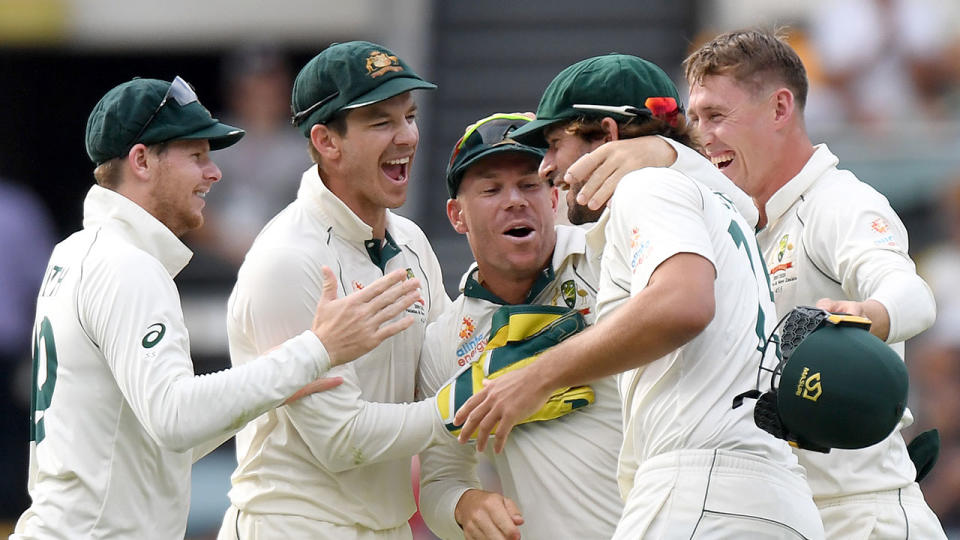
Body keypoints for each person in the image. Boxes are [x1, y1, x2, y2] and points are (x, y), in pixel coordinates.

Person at [561, 29, 947, 539]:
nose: (703, 136)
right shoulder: (727, 217)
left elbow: (912, 294)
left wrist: (864, 316)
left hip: (862, 514)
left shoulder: (838, 202)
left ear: (780, 107)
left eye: (717, 116)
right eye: (694, 120)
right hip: (778, 513)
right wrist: (658, 149)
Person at [10, 76, 420, 539]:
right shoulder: (129, 266)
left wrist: (276, 382)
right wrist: (316, 350)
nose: (215, 173)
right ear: (142, 160)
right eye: (197, 156)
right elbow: (174, 419)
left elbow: (152, 444)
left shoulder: (76, 253)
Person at [452, 54, 825, 539]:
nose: (547, 169)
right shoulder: (716, 199)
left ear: (606, 137)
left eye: (552, 144)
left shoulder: (647, 187)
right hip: (772, 501)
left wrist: (536, 377)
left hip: (701, 494)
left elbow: (682, 304)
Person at [218, 41, 452, 539]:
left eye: (410, 116)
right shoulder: (287, 259)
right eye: (382, 123)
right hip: (294, 527)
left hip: (386, 527)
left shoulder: (410, 240)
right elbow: (342, 441)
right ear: (327, 142)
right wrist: (469, 402)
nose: (408, 136)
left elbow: (445, 367)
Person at [416, 113, 623, 540]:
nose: (515, 200)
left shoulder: (610, 261)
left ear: (552, 198)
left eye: (530, 184)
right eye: (491, 189)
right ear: (457, 215)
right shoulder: (443, 340)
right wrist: (465, 503)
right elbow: (440, 480)